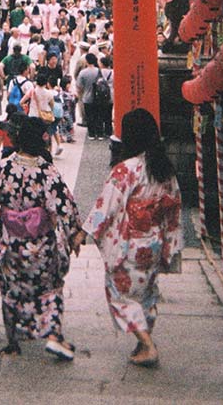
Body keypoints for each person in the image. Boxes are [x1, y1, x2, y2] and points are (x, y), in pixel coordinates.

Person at [74, 108, 183, 367]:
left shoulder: (127, 170)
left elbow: (106, 206)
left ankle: (147, 344)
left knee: (120, 295)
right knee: (146, 292)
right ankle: (142, 343)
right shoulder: (164, 169)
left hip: (130, 243)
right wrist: (170, 243)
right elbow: (174, 205)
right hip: (154, 241)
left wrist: (83, 233)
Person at [0, 117, 80, 360]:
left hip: (11, 243)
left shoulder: (3, 167)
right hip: (41, 245)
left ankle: (13, 342)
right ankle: (53, 335)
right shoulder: (46, 170)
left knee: (11, 291)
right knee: (49, 289)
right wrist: (74, 233)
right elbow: (65, 205)